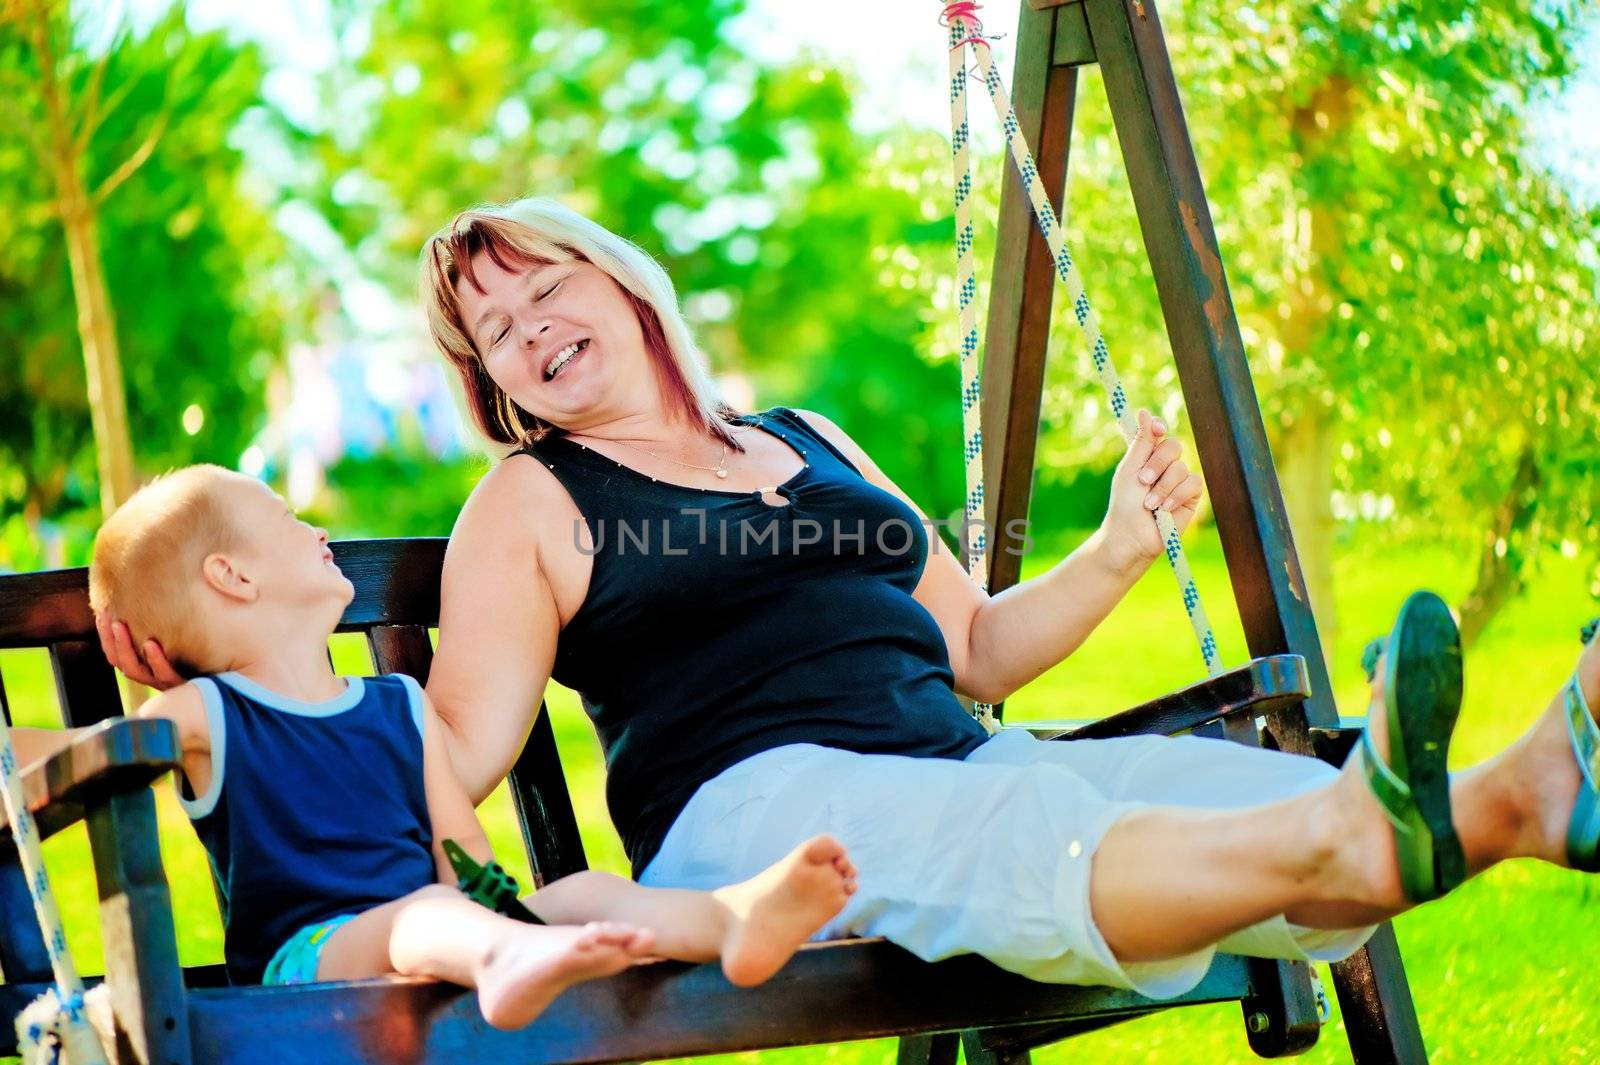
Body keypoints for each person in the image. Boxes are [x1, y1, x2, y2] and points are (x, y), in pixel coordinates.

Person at [100, 197, 1600, 1001]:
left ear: (619, 281)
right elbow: (453, 747)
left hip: (956, 757)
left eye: (539, 284)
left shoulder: (815, 440)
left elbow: (977, 651)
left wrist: (1121, 548)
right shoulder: (532, 505)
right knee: (1050, 825)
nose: (523, 330)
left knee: (1186, 786)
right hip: (761, 816)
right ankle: (1380, 808)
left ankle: (1525, 796)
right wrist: (219, 669)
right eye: (489, 333)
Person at [22, 464, 857, 1029]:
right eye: (285, 518)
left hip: (442, 926)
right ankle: (502, 959)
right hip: (307, 960)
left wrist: (506, 907)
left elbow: (460, 846)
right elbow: (65, 749)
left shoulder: (400, 707)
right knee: (426, 915)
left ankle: (729, 919)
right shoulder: (209, 711)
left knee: (583, 887)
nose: (313, 525)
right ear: (233, 578)